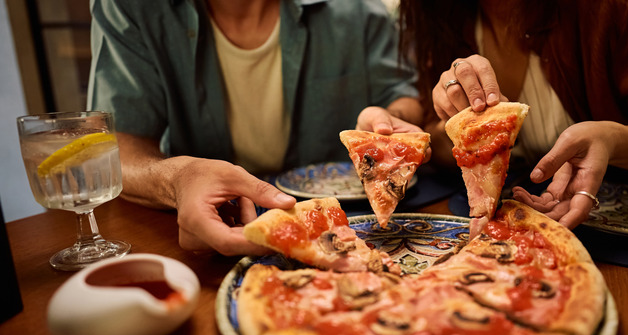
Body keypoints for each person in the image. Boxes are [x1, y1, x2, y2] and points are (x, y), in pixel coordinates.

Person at [88, 0, 424, 255]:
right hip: (188, 232)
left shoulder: (359, 9)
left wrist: (385, 124)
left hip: (351, 226)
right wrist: (177, 179)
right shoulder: (129, 7)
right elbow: (115, 147)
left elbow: (402, 99)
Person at [398, 0, 628, 229]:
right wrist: (450, 128)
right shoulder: (439, 14)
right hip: (501, 224)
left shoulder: (612, 9)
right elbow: (439, 143)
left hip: (615, 232)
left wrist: (613, 139)